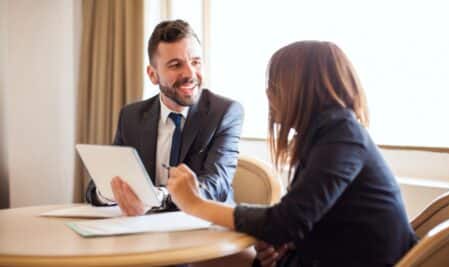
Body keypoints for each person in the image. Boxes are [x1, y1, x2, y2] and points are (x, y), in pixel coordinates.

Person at [167, 41, 418, 267]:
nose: (268, 94)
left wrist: (195, 204)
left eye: (274, 84)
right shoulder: (326, 135)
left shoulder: (342, 134)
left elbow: (285, 221)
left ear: (300, 88)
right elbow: (309, 217)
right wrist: (290, 243)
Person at [85, 19, 244, 216]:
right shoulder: (131, 117)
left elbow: (216, 185)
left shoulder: (224, 112)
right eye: (176, 65)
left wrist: (156, 197)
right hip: (146, 230)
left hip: (204, 228)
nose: (190, 73)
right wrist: (113, 193)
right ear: (153, 75)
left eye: (195, 62)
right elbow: (96, 187)